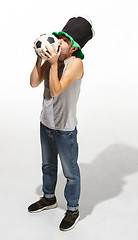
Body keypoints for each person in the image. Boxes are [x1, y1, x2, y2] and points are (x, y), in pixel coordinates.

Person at [28, 16, 94, 231]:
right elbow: (34, 82)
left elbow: (56, 90)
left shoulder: (76, 64)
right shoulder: (52, 58)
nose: (59, 42)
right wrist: (39, 59)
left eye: (64, 40)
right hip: (46, 123)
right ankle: (48, 198)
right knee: (47, 165)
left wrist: (54, 63)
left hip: (65, 130)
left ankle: (73, 209)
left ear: (74, 47)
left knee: (70, 172)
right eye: (60, 37)